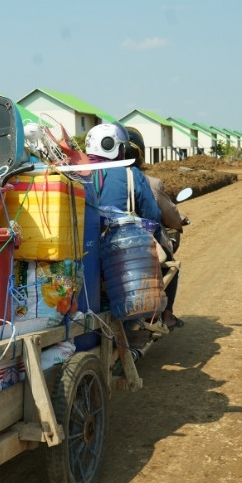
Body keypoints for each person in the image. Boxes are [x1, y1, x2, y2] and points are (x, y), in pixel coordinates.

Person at [85, 123, 166, 351]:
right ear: (117, 149)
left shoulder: (74, 172)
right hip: (117, 255)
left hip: (82, 254)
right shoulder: (131, 175)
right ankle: (138, 328)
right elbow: (152, 215)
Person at [125, 126, 187, 329]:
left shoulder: (97, 178)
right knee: (171, 263)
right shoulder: (149, 182)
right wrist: (178, 222)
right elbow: (159, 216)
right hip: (140, 243)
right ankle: (167, 315)